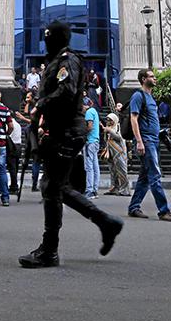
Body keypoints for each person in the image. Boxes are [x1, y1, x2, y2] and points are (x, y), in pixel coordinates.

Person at [18, 20, 123, 268]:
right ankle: (105, 223)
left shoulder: (68, 60)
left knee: (52, 188)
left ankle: (50, 250)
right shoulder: (56, 61)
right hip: (59, 130)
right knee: (56, 187)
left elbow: (65, 92)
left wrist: (40, 106)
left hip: (67, 132)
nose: (46, 41)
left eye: (49, 37)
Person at [127, 69, 171, 222]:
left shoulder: (151, 97)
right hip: (146, 141)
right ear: (144, 79)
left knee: (145, 177)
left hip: (154, 140)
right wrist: (139, 141)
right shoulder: (138, 96)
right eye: (151, 76)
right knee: (155, 175)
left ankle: (133, 207)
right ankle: (164, 211)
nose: (155, 78)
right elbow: (133, 119)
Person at [15, 91, 42, 191]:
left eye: (28, 97)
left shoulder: (37, 108)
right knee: (34, 160)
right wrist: (28, 102)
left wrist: (22, 118)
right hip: (30, 134)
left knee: (36, 160)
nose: (26, 99)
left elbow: (33, 121)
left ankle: (34, 184)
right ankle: (33, 184)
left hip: (35, 134)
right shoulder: (31, 106)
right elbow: (26, 112)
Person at [102, 113, 129, 196]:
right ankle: (114, 188)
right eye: (107, 120)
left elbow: (119, 137)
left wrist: (110, 131)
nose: (109, 121)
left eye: (110, 120)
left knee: (122, 171)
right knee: (113, 171)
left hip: (119, 153)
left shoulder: (118, 127)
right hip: (111, 152)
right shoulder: (109, 127)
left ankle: (125, 190)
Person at [83, 96, 101, 198]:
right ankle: (95, 189)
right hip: (95, 140)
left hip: (90, 141)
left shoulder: (89, 112)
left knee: (89, 167)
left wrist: (82, 132)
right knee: (95, 166)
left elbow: (89, 126)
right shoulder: (94, 111)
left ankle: (89, 190)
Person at [6, 116, 22, 195]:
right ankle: (14, 185)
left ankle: (14, 187)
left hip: (12, 147)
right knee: (15, 167)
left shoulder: (9, 125)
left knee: (12, 168)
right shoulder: (18, 124)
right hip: (18, 146)